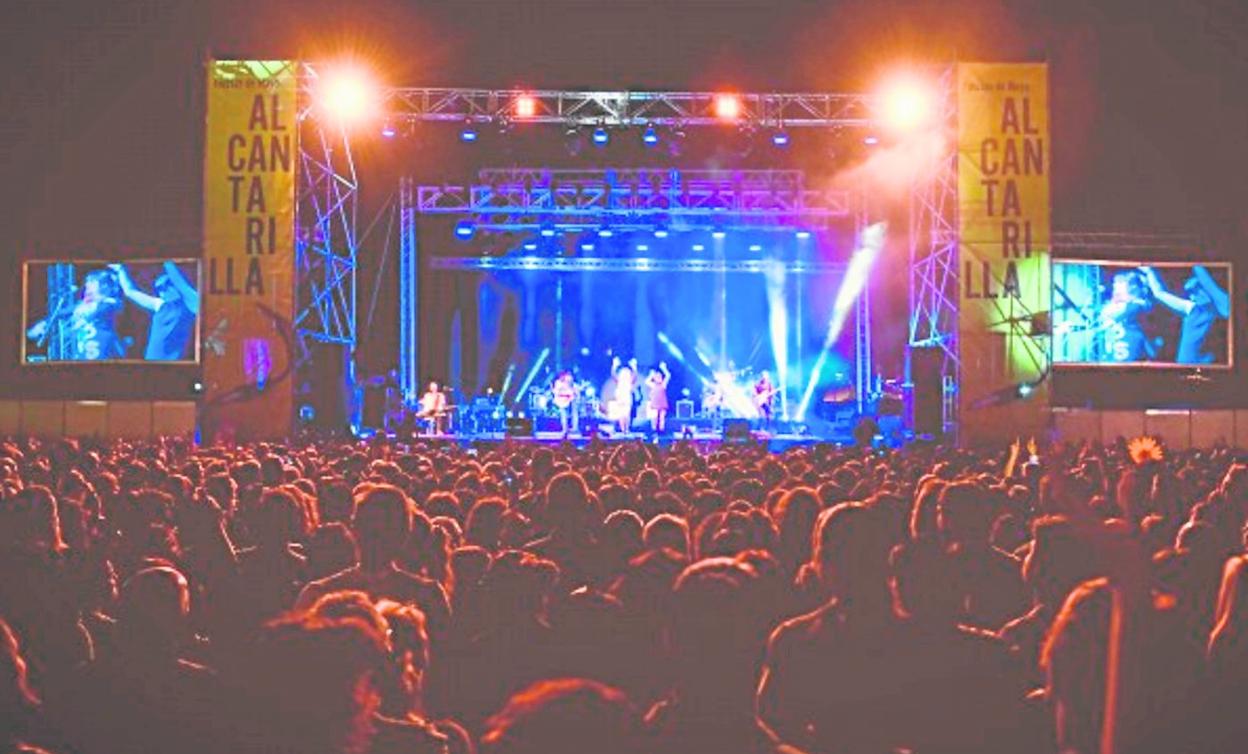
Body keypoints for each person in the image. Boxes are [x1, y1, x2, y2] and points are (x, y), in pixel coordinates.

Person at [27, 268, 124, 360]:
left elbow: (96, 310)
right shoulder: (83, 305)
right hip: (83, 352)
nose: (87, 285)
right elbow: (61, 313)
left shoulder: (111, 303)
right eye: (87, 282)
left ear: (104, 286)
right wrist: (43, 324)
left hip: (101, 351)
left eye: (92, 281)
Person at [109, 262, 199, 361]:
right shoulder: (160, 305)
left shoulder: (190, 305)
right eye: (159, 289)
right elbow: (130, 292)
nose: (162, 291)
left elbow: (180, 283)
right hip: (150, 364)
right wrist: (121, 270)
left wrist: (168, 263)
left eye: (166, 284)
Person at [1141, 265, 1230, 364]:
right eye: (1189, 293)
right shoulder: (1197, 310)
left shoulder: (1199, 310)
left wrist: (1150, 271)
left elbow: (1160, 294)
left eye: (1195, 289)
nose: (1191, 296)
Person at [1098, 270, 1153, 362]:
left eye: (1120, 282)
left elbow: (1117, 314)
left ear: (1133, 289)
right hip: (1111, 355)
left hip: (1128, 353)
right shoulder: (1113, 306)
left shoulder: (1138, 305)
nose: (1114, 286)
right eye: (1115, 284)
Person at [609, 357, 638, 436]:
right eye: (623, 373)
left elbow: (635, 376)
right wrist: (614, 365)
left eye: (627, 373)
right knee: (621, 414)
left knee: (627, 414)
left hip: (627, 397)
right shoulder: (619, 381)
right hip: (620, 397)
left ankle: (626, 429)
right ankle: (623, 430)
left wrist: (634, 367)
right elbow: (613, 374)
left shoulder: (629, 381)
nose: (625, 374)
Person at [644, 362, 671, 436]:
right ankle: (654, 430)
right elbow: (646, 381)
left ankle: (662, 430)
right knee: (654, 417)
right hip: (655, 403)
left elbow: (668, 376)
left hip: (662, 402)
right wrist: (651, 375)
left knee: (662, 417)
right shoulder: (653, 385)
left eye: (660, 377)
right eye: (657, 377)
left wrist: (664, 369)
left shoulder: (663, 384)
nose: (659, 378)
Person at [551, 371, 579, 438]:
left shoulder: (569, 379)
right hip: (562, 400)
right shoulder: (558, 382)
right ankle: (565, 429)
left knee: (574, 413)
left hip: (571, 398)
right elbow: (556, 391)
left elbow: (573, 389)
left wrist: (573, 394)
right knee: (563, 414)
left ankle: (574, 428)